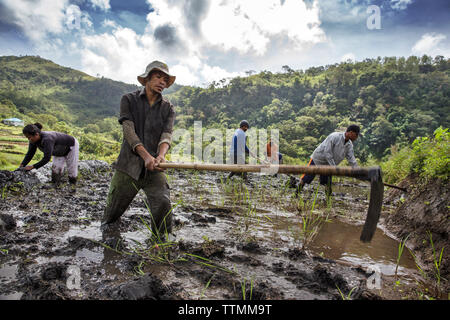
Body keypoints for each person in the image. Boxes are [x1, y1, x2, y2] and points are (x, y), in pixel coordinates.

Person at [101, 61, 176, 242]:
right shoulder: (129, 99)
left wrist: (160, 156)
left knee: (163, 202)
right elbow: (128, 130)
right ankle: (107, 239)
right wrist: (145, 155)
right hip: (129, 164)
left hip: (154, 167)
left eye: (165, 79)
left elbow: (166, 134)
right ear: (147, 79)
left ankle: (161, 242)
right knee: (112, 212)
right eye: (158, 77)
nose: (162, 82)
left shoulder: (168, 108)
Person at [295, 125, 360, 197]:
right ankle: (296, 194)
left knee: (328, 183)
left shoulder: (349, 145)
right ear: (351, 132)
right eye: (356, 135)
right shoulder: (335, 136)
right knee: (306, 178)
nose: (356, 137)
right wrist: (334, 167)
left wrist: (357, 170)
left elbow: (351, 158)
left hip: (329, 164)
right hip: (318, 159)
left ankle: (328, 201)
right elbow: (327, 152)